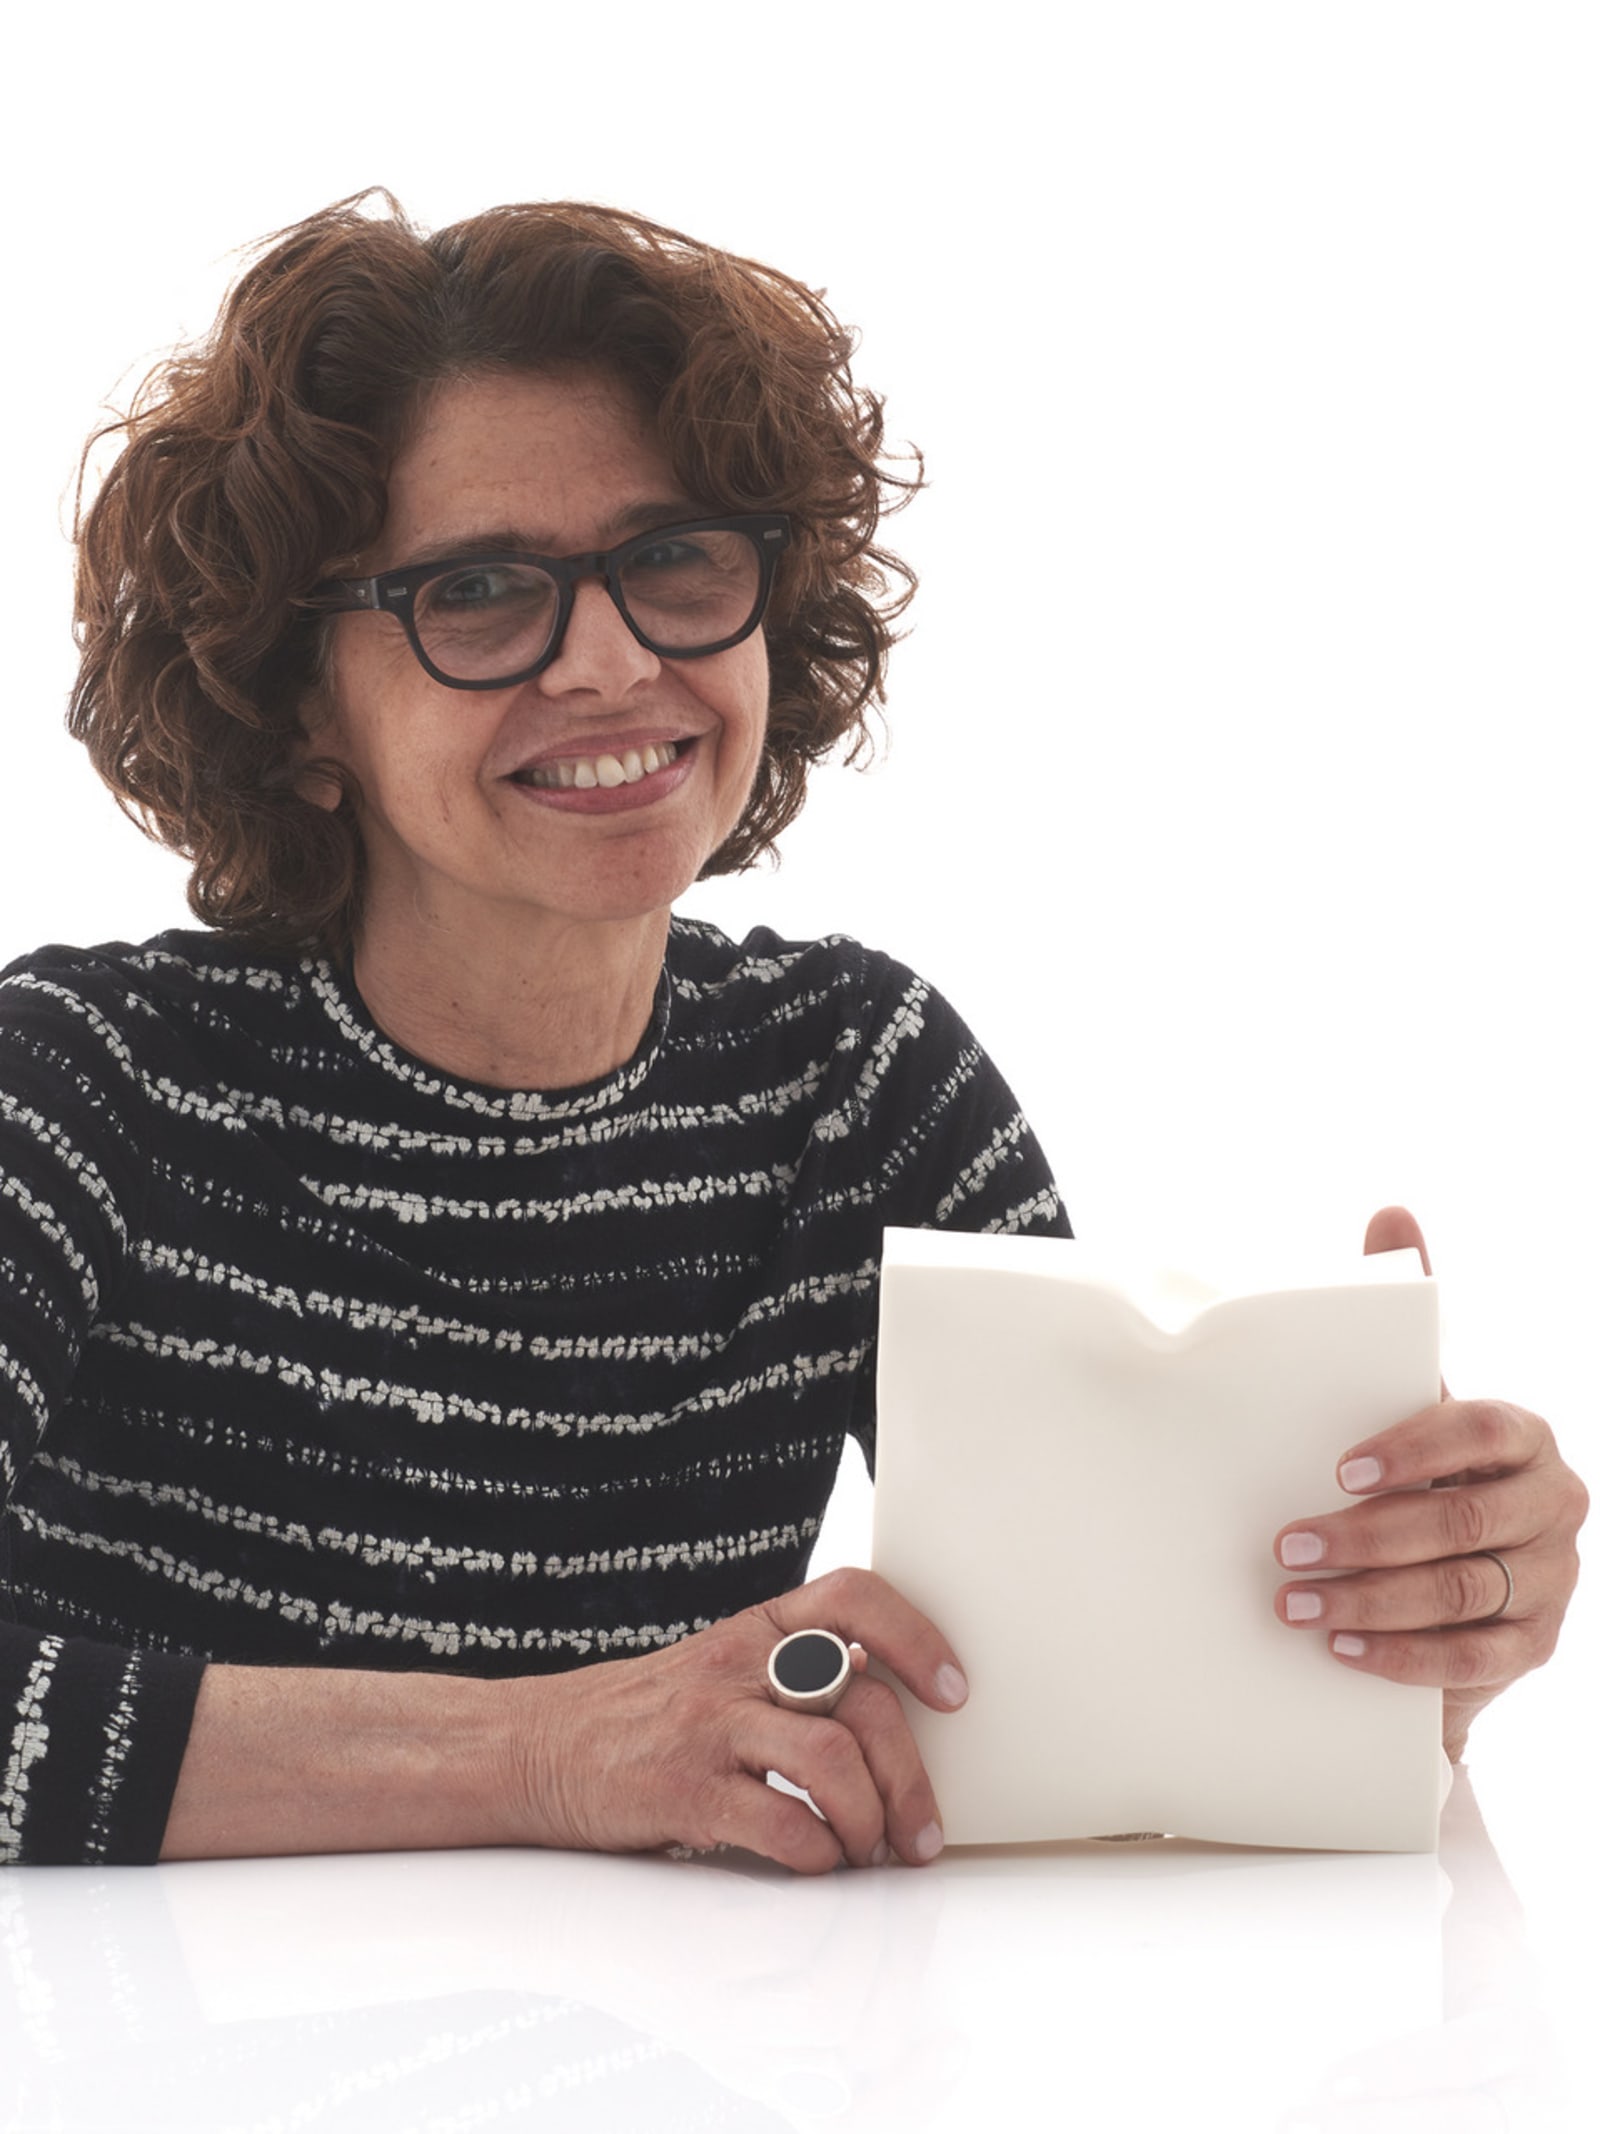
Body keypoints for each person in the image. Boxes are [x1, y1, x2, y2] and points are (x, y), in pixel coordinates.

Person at [0, 195, 1586, 1872]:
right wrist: (546, 1750)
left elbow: (1078, 1698)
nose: (610, 662)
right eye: (477, 590)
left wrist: (1394, 1636)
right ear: (300, 704)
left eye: (674, 557)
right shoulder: (76, 1087)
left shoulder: (859, 1082)